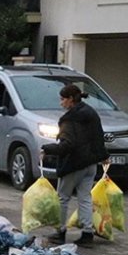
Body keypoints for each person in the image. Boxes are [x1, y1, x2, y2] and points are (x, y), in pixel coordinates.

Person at [42, 84, 110, 246]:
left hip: (73, 164)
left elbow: (68, 145)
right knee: (85, 198)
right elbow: (98, 136)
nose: (61, 103)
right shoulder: (91, 113)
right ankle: (87, 233)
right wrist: (103, 156)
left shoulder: (69, 119)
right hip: (90, 163)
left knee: (63, 198)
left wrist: (47, 149)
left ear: (71, 100)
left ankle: (60, 232)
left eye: (62, 99)